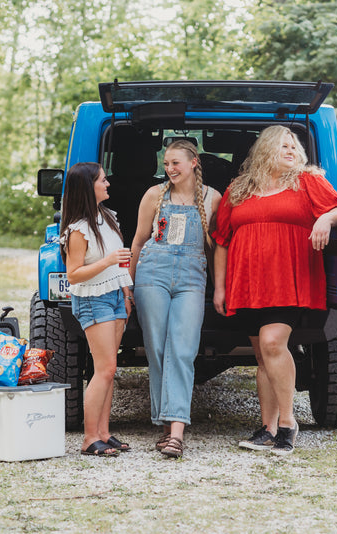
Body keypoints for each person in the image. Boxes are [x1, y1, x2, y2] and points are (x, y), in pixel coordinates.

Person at [211, 126, 337, 455]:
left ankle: (287, 424)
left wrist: (324, 220)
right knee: (262, 356)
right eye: (283, 145)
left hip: (288, 280)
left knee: (274, 344)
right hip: (247, 283)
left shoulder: (308, 181)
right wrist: (220, 288)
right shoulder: (239, 189)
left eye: (294, 146)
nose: (291, 150)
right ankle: (267, 428)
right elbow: (221, 242)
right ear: (265, 150)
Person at [129, 139, 222, 458]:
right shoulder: (154, 195)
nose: (169, 169)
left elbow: (216, 249)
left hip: (192, 277)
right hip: (152, 272)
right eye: (166, 163)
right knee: (156, 348)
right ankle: (167, 425)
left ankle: (177, 429)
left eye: (175, 163)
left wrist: (219, 287)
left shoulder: (213, 198)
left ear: (194, 162)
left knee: (183, 348)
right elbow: (139, 242)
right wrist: (127, 286)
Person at [60, 162, 134, 457]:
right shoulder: (77, 229)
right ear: (88, 187)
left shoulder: (107, 218)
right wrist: (108, 261)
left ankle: (104, 433)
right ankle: (90, 439)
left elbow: (120, 263)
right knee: (104, 369)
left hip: (115, 296)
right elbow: (73, 274)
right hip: (93, 298)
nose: (108, 184)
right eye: (103, 180)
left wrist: (126, 293)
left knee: (109, 369)